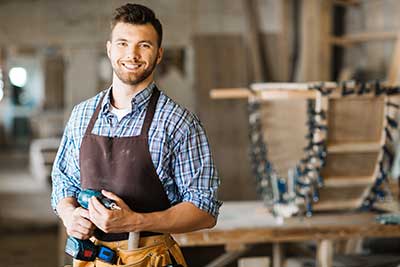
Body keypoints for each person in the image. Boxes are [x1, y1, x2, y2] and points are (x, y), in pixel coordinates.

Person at [51, 3, 222, 267]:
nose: (132, 54)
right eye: (122, 43)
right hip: (90, 258)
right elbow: (64, 180)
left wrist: (137, 221)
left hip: (150, 258)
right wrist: (69, 214)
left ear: (159, 54)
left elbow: (204, 209)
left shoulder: (178, 122)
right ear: (109, 49)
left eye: (144, 45)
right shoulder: (82, 115)